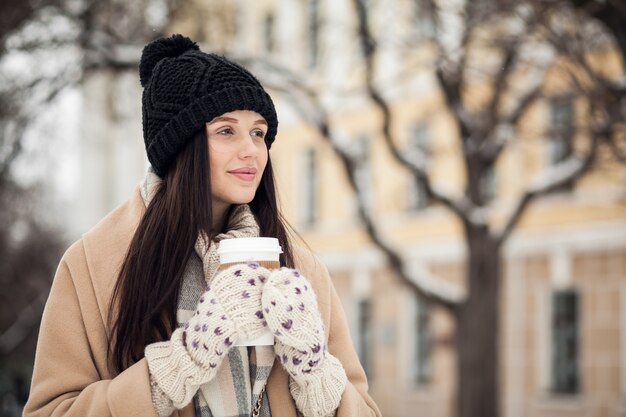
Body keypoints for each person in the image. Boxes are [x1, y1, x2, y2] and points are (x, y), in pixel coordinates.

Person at [23, 34, 381, 417]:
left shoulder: (298, 265)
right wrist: (182, 361)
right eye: (226, 131)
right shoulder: (92, 265)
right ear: (181, 146)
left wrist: (314, 371)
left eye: (258, 132)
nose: (251, 150)